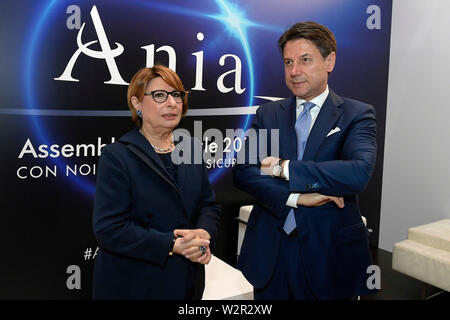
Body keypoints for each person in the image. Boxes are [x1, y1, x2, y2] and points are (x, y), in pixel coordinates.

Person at [233, 21, 377, 300]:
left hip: (330, 254)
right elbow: (244, 171)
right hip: (271, 252)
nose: (294, 71)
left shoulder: (357, 114)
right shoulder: (268, 113)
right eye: (288, 62)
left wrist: (283, 167)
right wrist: (297, 198)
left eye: (305, 60)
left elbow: (358, 173)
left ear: (330, 61)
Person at [92, 65, 221, 300]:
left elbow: (208, 204)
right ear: (137, 103)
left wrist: (203, 234)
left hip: (187, 280)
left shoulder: (190, 147)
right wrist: (171, 244)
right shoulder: (117, 156)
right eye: (159, 95)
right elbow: (109, 229)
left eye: (177, 95)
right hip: (136, 283)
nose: (172, 103)